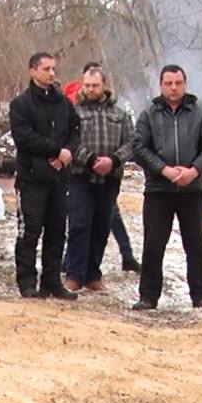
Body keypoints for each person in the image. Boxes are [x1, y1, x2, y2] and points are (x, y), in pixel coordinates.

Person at [130, 64, 202, 309]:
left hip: (192, 189)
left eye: (178, 83)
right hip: (159, 189)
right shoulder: (149, 113)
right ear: (161, 85)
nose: (173, 87)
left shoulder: (199, 111)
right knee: (153, 245)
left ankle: (201, 295)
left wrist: (193, 171)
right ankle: (148, 296)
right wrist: (164, 170)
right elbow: (138, 148)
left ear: (185, 84)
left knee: (196, 243)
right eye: (168, 83)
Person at [9, 52, 81, 299]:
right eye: (46, 69)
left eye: (54, 69)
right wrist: (55, 150)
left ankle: (51, 281)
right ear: (32, 71)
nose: (51, 74)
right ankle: (27, 283)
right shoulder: (21, 104)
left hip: (59, 178)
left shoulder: (63, 103)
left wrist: (68, 153)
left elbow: (75, 131)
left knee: (57, 230)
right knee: (29, 232)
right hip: (32, 179)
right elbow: (24, 137)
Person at [62, 64, 133, 293]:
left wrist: (113, 160)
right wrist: (91, 160)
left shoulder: (119, 114)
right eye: (87, 85)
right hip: (80, 176)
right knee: (79, 224)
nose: (91, 89)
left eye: (95, 85)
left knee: (101, 226)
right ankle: (74, 274)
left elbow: (132, 143)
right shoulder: (74, 111)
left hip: (110, 178)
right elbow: (69, 141)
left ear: (104, 86)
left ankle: (93, 274)